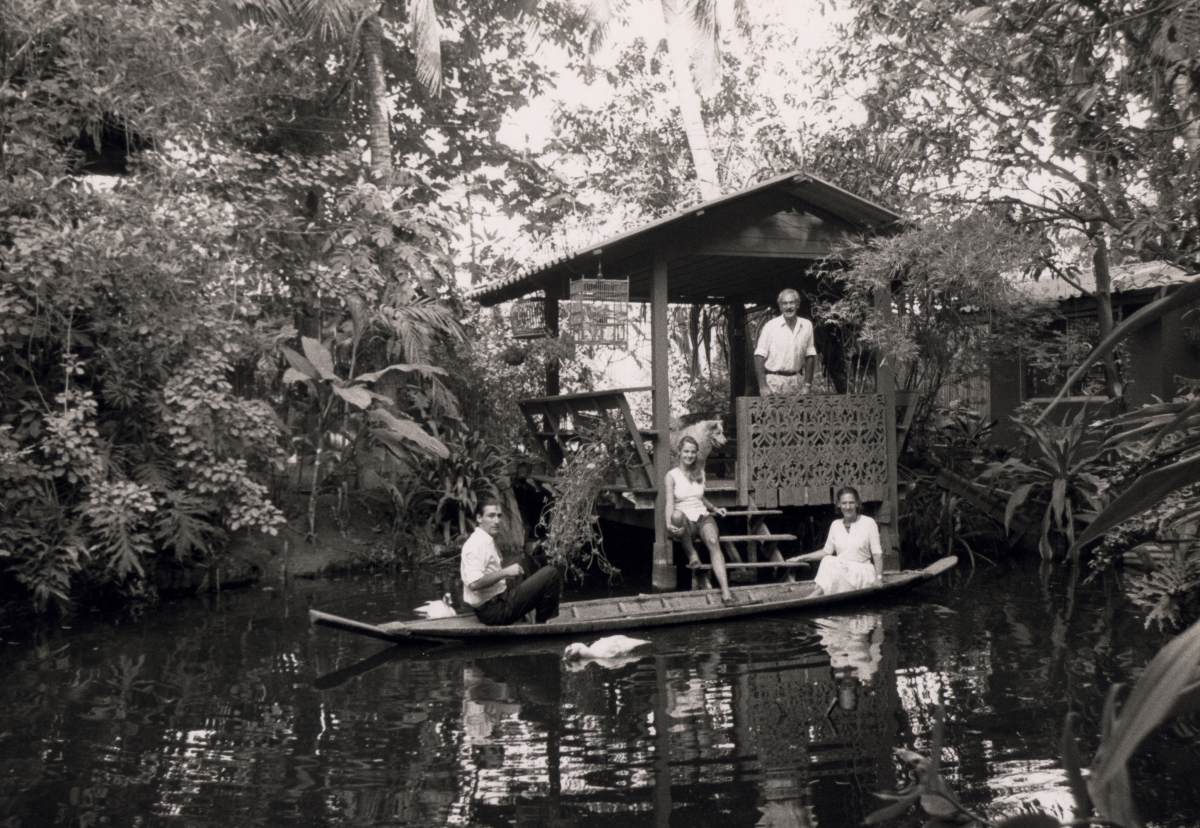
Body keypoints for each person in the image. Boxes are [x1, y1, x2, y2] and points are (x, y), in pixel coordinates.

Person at [461, 497, 562, 625]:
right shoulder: (476, 545)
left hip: (498, 599)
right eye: (491, 516)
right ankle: (541, 624)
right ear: (479, 518)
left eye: (499, 516)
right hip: (494, 612)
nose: (496, 521)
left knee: (520, 560)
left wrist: (507, 571)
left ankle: (529, 610)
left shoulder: (484, 539)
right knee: (551, 573)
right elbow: (474, 584)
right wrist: (505, 572)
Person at [664, 435, 734, 603]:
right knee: (676, 515)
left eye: (693, 452)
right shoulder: (671, 476)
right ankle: (692, 554)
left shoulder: (700, 472)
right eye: (686, 451)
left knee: (712, 541)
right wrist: (668, 523)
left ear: (696, 454)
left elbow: (699, 497)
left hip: (702, 516)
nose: (689, 455)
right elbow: (669, 503)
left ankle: (726, 592)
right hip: (684, 520)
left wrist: (715, 509)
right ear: (679, 453)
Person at [789, 487, 883, 596]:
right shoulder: (835, 525)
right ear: (838, 504)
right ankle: (816, 596)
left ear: (857, 503)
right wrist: (800, 558)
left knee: (829, 561)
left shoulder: (869, 523)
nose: (848, 507)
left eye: (851, 503)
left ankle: (812, 597)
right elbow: (826, 552)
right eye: (844, 503)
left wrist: (879, 578)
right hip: (841, 572)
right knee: (827, 560)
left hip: (862, 572)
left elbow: (877, 553)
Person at [754, 288, 817, 395]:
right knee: (773, 412)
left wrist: (807, 385)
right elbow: (758, 356)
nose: (788, 307)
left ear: (798, 304)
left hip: (796, 382)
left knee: (796, 412)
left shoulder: (807, 325)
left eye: (792, 302)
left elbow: (810, 355)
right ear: (780, 306)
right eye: (785, 303)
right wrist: (763, 386)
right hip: (773, 381)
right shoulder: (771, 326)